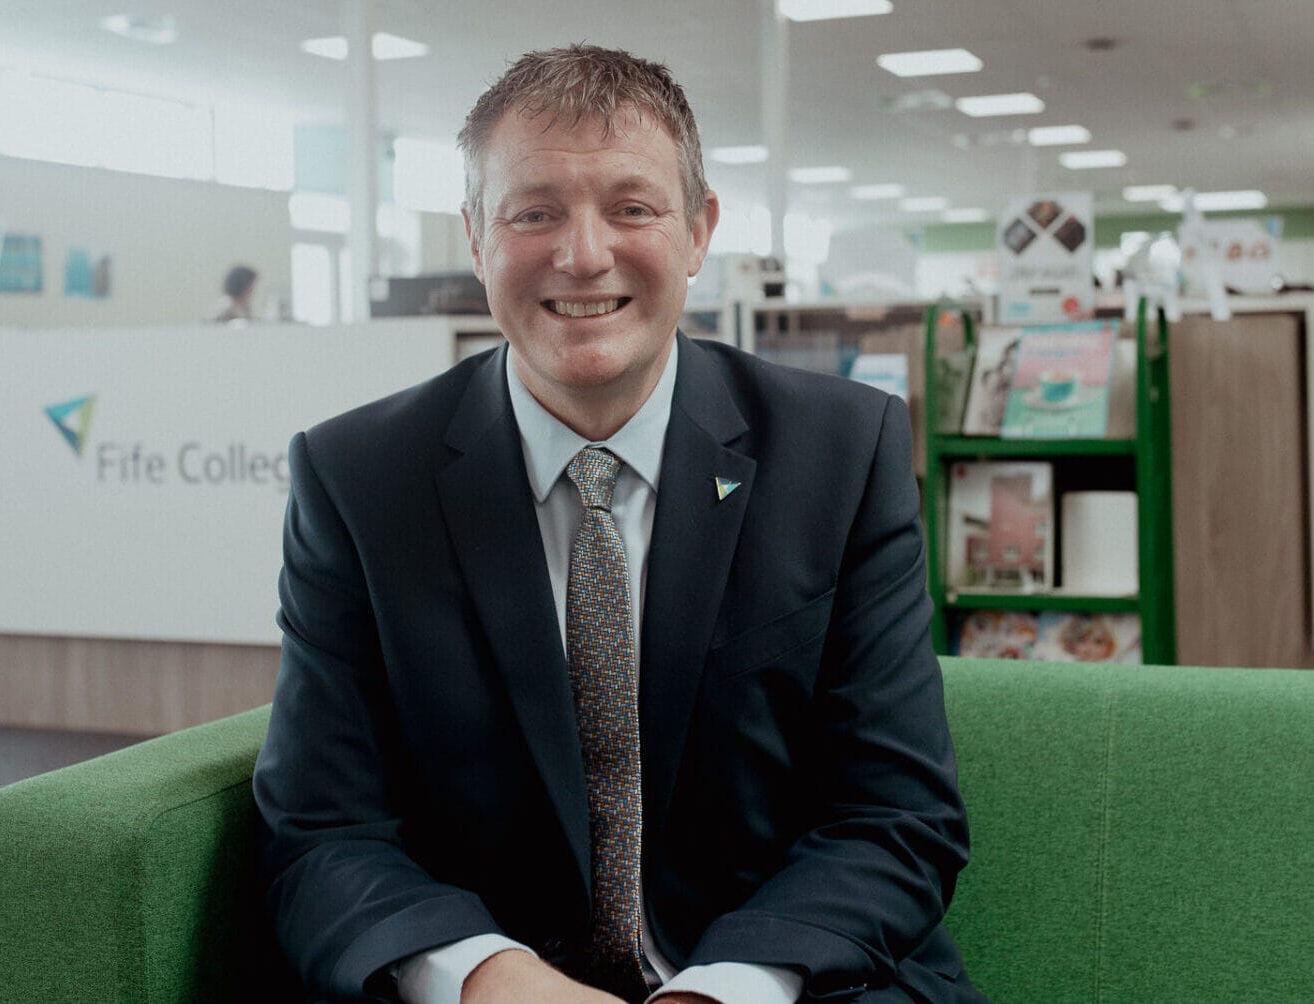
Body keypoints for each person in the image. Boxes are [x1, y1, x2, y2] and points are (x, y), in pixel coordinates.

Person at [254, 44, 984, 1004]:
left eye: (632, 208)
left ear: (698, 231)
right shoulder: (357, 478)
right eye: (533, 213)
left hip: (786, 983)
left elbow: (894, 815)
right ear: (474, 237)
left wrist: (718, 991)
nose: (583, 255)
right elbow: (323, 828)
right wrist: (484, 978)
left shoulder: (840, 453)